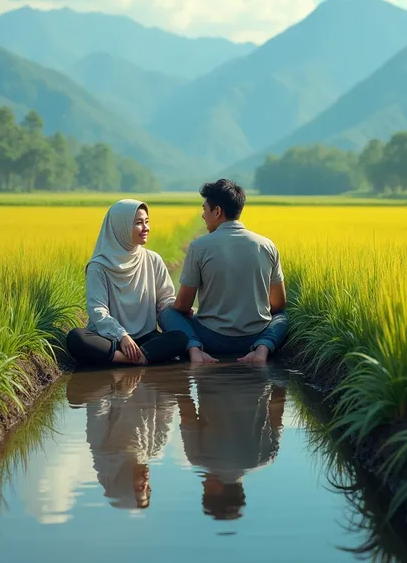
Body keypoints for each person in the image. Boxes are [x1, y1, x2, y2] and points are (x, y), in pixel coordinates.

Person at [159, 179, 289, 364]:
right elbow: (278, 303)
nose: (203, 215)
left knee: (167, 313)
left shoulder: (198, 247)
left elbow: (182, 306)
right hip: (253, 337)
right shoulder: (267, 245)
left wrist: (192, 311)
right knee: (283, 316)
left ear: (217, 211)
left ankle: (195, 349)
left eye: (205, 209)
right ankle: (263, 349)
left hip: (212, 340)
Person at [66, 199, 188, 367]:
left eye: (147, 222)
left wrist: (182, 306)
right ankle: (139, 358)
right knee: (76, 338)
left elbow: (165, 301)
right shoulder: (99, 266)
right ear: (120, 227)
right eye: (138, 223)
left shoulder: (153, 259)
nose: (146, 228)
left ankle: (131, 358)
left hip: (145, 337)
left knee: (180, 337)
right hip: (111, 339)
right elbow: (97, 311)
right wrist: (122, 336)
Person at [176, 364, 287, 520]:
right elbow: (186, 411)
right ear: (216, 489)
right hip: (209, 373)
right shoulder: (198, 458)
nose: (203, 485)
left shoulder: (266, 458)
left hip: (257, 374)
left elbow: (277, 408)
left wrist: (280, 375)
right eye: (205, 490)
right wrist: (178, 380)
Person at [66, 367, 177, 510]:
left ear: (124, 484)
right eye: (148, 488)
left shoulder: (102, 445)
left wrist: (123, 391)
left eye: (140, 488)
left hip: (116, 366)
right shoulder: (156, 446)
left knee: (82, 344)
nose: (146, 483)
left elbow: (97, 401)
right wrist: (153, 376)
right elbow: (168, 402)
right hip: (152, 364)